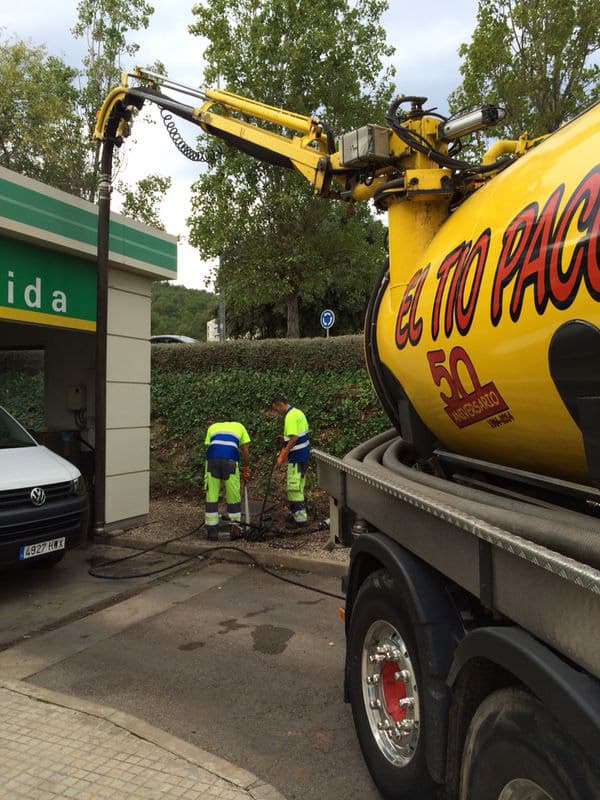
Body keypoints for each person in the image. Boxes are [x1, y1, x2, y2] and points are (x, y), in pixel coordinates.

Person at [204, 420, 251, 540]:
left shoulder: (213, 427)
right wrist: (246, 467)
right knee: (233, 496)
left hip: (211, 462)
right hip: (230, 461)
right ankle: (235, 531)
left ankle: (212, 533)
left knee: (211, 497)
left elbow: (208, 448)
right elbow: (245, 449)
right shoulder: (240, 426)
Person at [271, 396, 309, 525]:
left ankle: (300, 520)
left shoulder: (290, 416)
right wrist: (284, 439)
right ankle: (297, 515)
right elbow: (297, 435)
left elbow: (295, 437)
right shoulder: (298, 412)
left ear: (280, 404)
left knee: (294, 488)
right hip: (303, 456)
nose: (277, 412)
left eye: (276, 408)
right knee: (298, 487)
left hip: (297, 457)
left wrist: (283, 453)